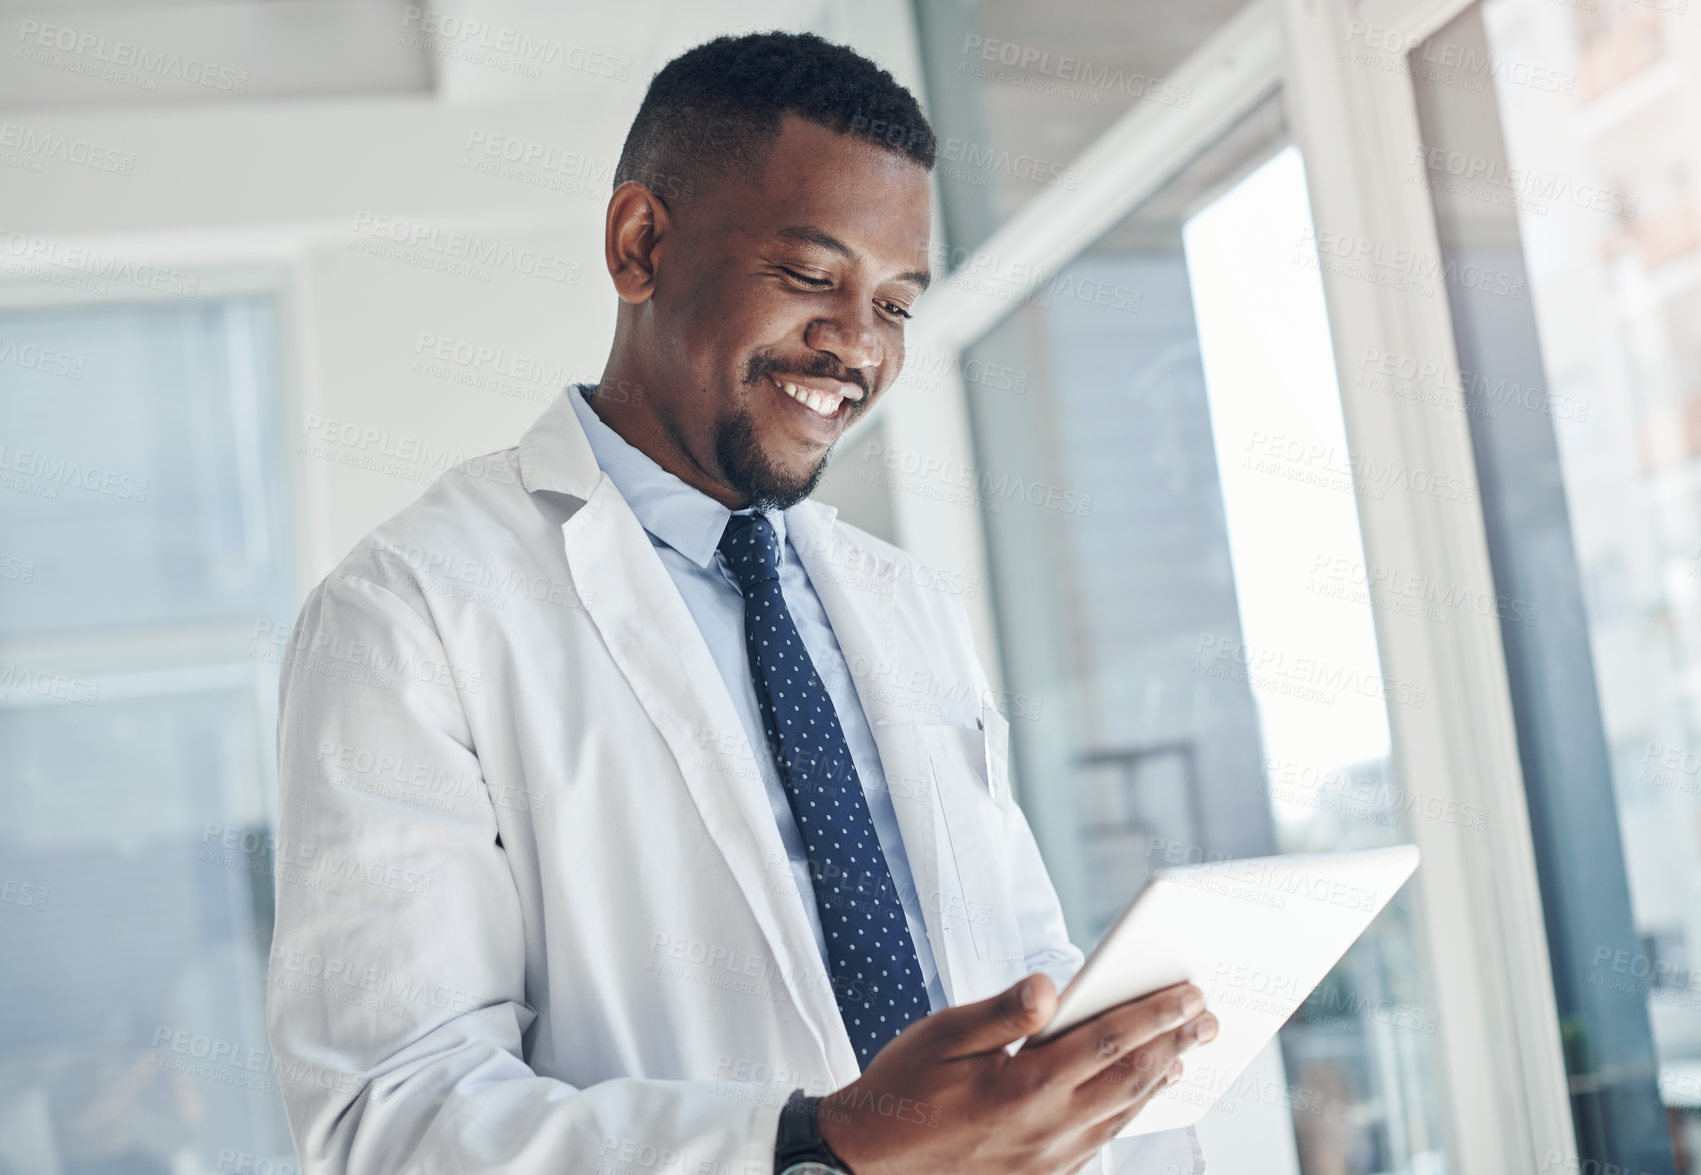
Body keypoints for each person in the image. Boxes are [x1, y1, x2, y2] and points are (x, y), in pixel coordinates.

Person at [266, 29, 1216, 1175]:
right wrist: (822, 1143)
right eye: (812, 275)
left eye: (899, 305)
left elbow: (1010, 957)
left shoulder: (905, 603)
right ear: (640, 243)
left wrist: (1099, 1057)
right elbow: (392, 1118)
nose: (857, 344)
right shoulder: (412, 613)